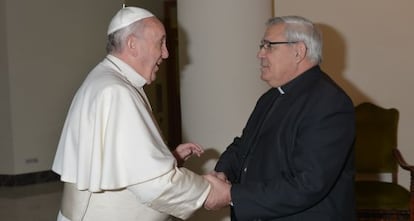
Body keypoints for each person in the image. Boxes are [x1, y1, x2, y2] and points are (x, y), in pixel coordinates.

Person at [52, 6, 229, 221]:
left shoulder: (106, 80)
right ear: (133, 45)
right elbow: (155, 186)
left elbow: (125, 163)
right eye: (160, 43)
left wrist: (166, 159)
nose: (166, 53)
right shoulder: (116, 91)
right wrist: (208, 192)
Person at [205, 15, 356, 220]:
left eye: (269, 46)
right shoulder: (271, 96)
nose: (260, 54)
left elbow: (308, 184)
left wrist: (232, 195)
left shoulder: (330, 103)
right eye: (262, 46)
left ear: (298, 51)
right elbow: (243, 147)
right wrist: (223, 172)